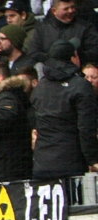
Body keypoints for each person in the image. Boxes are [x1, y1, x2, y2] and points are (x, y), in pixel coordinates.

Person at [31, 41, 98, 181]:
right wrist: (93, 159)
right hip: (71, 164)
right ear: (73, 58)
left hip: (42, 163)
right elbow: (86, 128)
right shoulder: (81, 86)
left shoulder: (40, 86)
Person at [25, 0, 98, 66]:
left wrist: (75, 56)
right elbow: (33, 52)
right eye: (66, 9)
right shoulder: (42, 28)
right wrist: (51, 57)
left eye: (72, 7)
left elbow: (95, 51)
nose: (70, 11)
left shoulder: (86, 27)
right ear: (54, 11)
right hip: (49, 71)